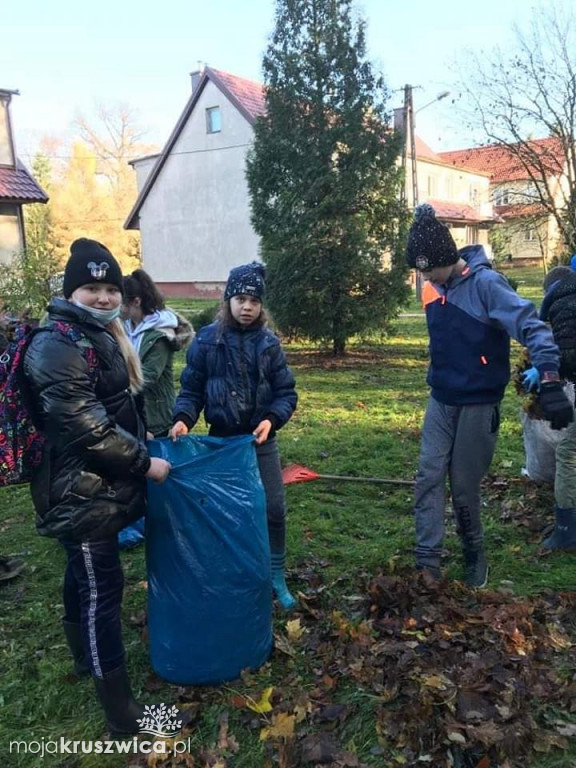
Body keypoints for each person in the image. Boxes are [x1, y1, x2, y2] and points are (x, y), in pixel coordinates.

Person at [23, 238, 171, 736]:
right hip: (80, 489)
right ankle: (121, 711)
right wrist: (144, 462)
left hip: (92, 485)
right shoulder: (59, 343)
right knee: (101, 592)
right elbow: (85, 427)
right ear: (72, 291)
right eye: (92, 288)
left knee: (83, 575)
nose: (105, 297)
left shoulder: (94, 332)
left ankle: (86, 659)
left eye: (111, 288)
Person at [405, 204, 572, 587]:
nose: (425, 277)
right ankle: (427, 561)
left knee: (463, 484)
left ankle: (473, 553)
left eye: (429, 268)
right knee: (428, 474)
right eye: (420, 270)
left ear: (448, 257)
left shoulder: (486, 285)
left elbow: (534, 328)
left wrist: (548, 377)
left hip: (479, 401)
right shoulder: (433, 289)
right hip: (442, 397)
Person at [170, 261, 298, 609]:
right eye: (240, 299)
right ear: (227, 300)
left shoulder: (269, 345)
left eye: (254, 301)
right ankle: (233, 569)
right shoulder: (208, 342)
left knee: (272, 507)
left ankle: (275, 574)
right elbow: (191, 389)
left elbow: (286, 393)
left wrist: (272, 419)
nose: (247, 307)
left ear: (261, 307)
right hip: (222, 443)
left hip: (261, 441)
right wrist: (183, 417)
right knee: (229, 509)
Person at [521, 265, 576, 551]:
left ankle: (567, 532)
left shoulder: (562, 303)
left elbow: (567, 351)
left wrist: (544, 371)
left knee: (569, 454)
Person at [122, 269, 193, 438]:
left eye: (121, 303)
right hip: (131, 410)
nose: (115, 306)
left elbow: (149, 375)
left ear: (136, 302)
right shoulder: (125, 326)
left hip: (156, 417)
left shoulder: (160, 335)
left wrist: (114, 387)